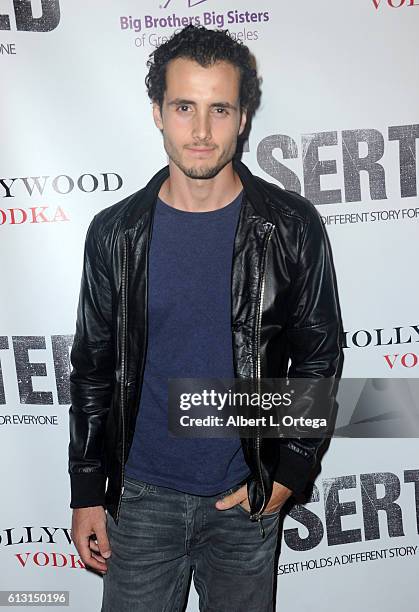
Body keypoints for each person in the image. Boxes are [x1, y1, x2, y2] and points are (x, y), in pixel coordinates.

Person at [68, 24, 343, 612]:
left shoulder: (290, 227)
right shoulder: (115, 234)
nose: (200, 131)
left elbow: (318, 356)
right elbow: (92, 368)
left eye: (219, 109)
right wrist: (88, 490)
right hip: (139, 500)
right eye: (183, 107)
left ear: (243, 117)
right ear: (158, 113)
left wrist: (288, 471)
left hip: (244, 497)